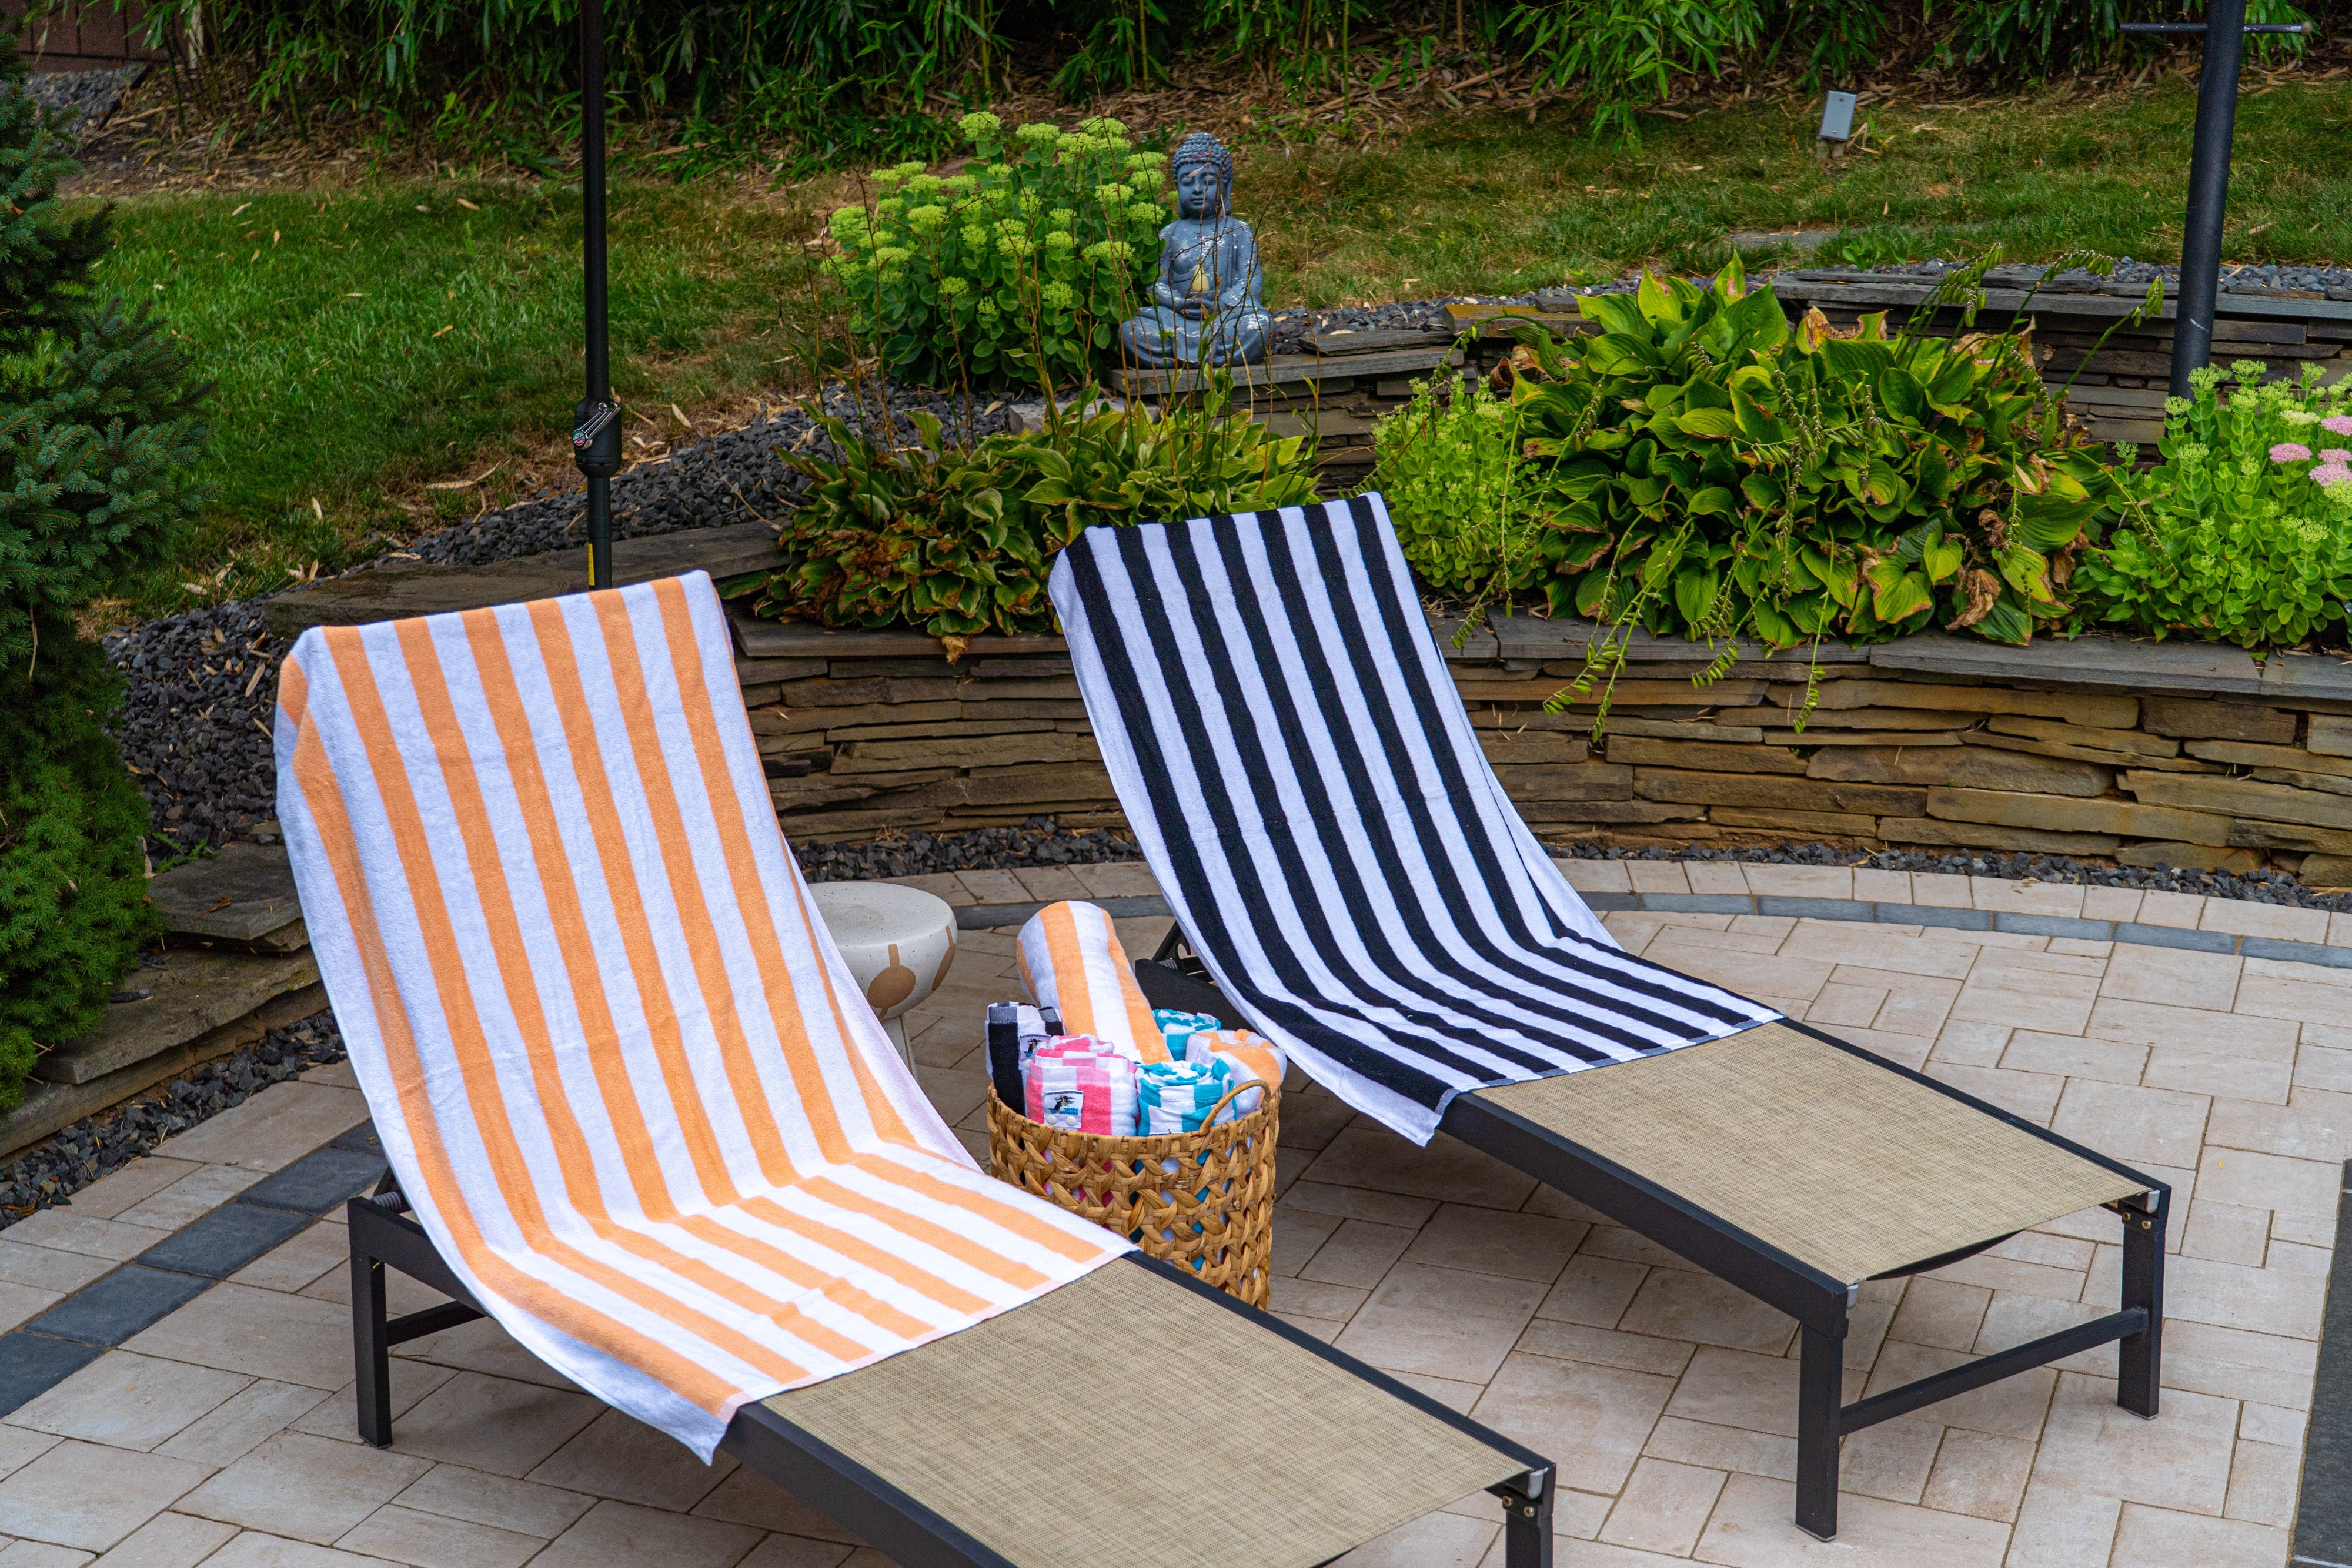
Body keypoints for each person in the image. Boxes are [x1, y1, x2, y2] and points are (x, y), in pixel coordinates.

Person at [1118, 132, 1271, 369]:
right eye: (1188, 183)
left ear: (1225, 185)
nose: (1198, 189)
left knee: (1259, 326)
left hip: (1224, 317)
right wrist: (1177, 303)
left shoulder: (1238, 230)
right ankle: (1209, 359)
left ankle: (1191, 359)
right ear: (1177, 187)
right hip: (1176, 317)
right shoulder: (1169, 233)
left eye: (1208, 181)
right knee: (1131, 331)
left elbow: (1250, 282)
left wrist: (1219, 305)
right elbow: (1154, 284)